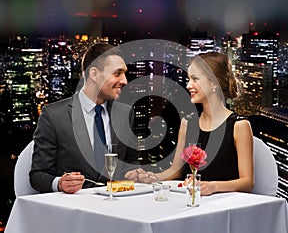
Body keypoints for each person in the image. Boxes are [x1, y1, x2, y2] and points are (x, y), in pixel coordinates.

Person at [126, 52, 254, 196]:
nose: (188, 85)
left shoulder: (239, 126)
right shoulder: (187, 123)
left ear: (214, 83)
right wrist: (151, 178)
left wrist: (212, 187)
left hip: (224, 206)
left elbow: (247, 182)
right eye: (189, 79)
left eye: (195, 79)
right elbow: (175, 171)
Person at [30, 42, 140, 194]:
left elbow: (131, 162)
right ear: (94, 74)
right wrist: (60, 183)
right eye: (117, 73)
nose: (124, 81)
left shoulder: (125, 113)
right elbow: (37, 175)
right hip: (74, 211)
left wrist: (135, 173)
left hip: (117, 207)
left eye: (124, 73)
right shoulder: (53, 116)